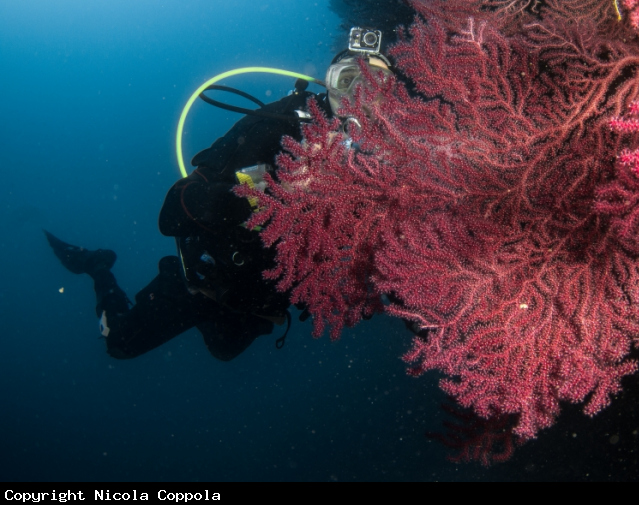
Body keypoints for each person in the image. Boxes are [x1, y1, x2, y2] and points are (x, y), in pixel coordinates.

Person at [46, 32, 394, 361]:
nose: (359, 96)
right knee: (120, 344)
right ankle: (97, 266)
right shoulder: (276, 126)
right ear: (328, 83)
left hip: (261, 302)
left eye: (376, 84)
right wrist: (273, 193)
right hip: (209, 280)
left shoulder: (397, 160)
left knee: (224, 349)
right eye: (348, 80)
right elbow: (173, 210)